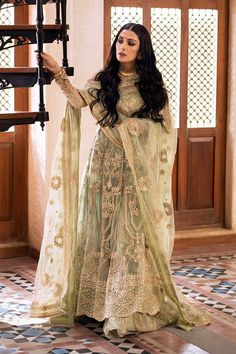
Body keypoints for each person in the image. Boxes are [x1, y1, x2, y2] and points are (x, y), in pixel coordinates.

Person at [30, 23, 210, 337]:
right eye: (120, 40)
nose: (122, 46)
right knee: (99, 226)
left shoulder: (151, 86)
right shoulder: (104, 80)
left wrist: (130, 132)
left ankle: (123, 304)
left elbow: (162, 133)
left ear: (141, 51)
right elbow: (78, 101)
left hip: (135, 174)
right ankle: (94, 301)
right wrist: (59, 73)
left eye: (130, 43)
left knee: (129, 232)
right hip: (102, 167)